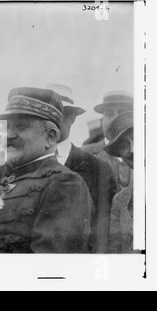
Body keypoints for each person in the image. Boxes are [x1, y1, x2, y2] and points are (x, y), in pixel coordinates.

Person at [0, 87, 93, 253]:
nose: (9, 135)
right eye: (7, 128)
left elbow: (49, 270)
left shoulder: (64, 183)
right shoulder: (8, 183)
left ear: (50, 137)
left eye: (21, 127)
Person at [47, 84, 118, 253]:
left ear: (71, 118)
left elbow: (104, 232)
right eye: (43, 115)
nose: (48, 121)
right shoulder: (21, 165)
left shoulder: (99, 169)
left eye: (56, 114)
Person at [82, 91, 133, 191]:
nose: (114, 119)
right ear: (102, 120)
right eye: (109, 114)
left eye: (121, 113)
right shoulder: (83, 154)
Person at [104, 112, 134, 253]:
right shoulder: (120, 200)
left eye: (138, 139)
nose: (132, 150)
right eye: (124, 144)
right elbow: (115, 253)